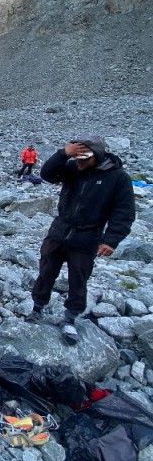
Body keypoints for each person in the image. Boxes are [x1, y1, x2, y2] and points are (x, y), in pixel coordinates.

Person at [26, 136, 135, 345]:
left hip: (87, 238)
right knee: (46, 271)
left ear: (98, 155)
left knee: (79, 279)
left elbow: (124, 212)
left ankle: (70, 318)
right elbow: (47, 174)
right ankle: (37, 308)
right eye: (77, 158)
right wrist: (63, 153)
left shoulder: (118, 178)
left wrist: (110, 240)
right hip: (59, 233)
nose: (80, 162)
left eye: (85, 159)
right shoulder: (73, 168)